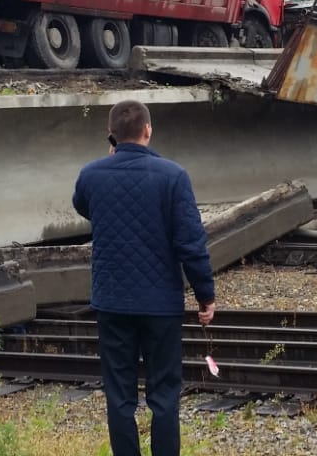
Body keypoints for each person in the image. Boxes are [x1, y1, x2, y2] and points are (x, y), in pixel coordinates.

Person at [72, 99, 216, 456]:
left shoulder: (92, 175)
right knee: (164, 393)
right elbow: (191, 244)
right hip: (160, 306)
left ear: (112, 135)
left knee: (119, 395)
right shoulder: (174, 176)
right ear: (148, 130)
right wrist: (205, 295)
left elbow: (82, 206)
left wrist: (112, 159)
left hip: (112, 302)